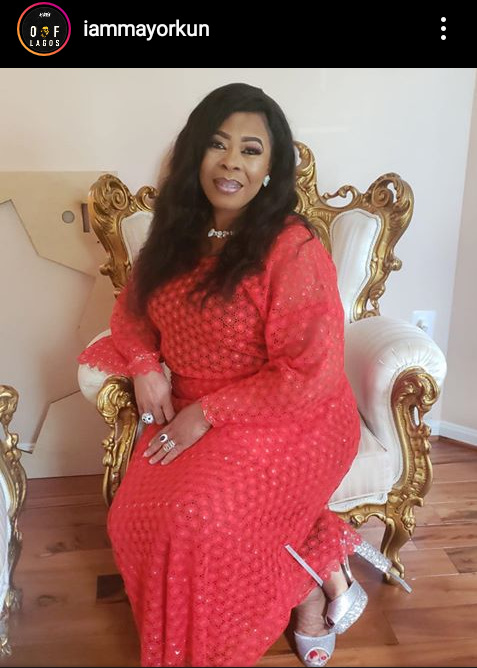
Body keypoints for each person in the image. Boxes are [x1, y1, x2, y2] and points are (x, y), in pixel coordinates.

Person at [78, 83, 409, 668]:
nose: (231, 161)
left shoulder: (292, 248)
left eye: (250, 150)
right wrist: (146, 366)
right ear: (194, 154)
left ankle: (277, 615)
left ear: (270, 168)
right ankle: (316, 571)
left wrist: (207, 414)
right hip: (191, 407)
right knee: (132, 517)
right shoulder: (174, 234)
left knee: (197, 519)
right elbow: (131, 314)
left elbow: (308, 372)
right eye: (217, 144)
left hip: (292, 416)